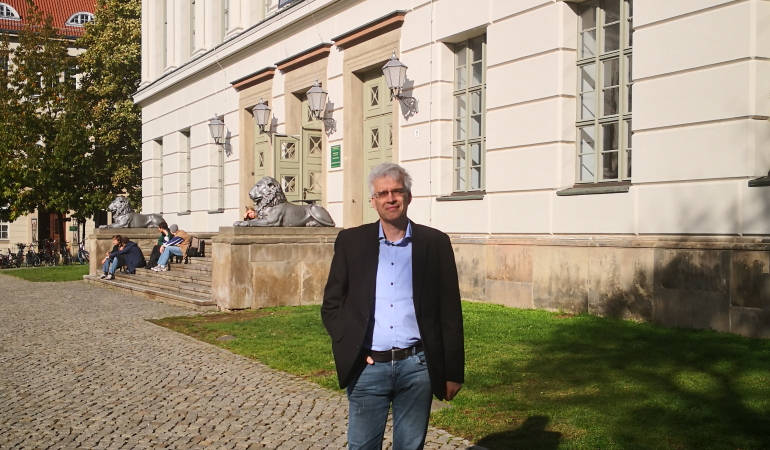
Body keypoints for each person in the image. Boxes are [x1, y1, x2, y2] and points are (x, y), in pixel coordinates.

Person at [321, 163, 464, 450]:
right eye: (382, 193)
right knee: (362, 446)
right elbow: (332, 305)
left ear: (408, 196)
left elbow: (449, 312)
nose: (391, 198)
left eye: (397, 191)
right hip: (368, 367)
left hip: (417, 367)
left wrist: (453, 372)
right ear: (373, 201)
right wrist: (352, 347)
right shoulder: (351, 242)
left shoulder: (435, 243)